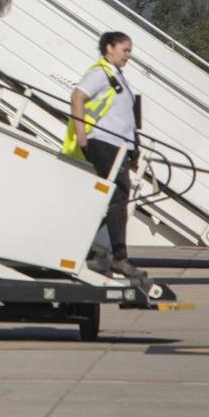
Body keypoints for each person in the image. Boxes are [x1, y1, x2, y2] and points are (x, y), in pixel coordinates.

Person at [68, 31, 141, 280]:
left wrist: (134, 150)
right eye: (125, 50)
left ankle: (88, 246)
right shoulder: (100, 73)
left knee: (113, 199)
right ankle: (119, 258)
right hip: (103, 143)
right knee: (117, 196)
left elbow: (126, 118)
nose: (129, 56)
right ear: (109, 48)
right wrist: (81, 135)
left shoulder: (117, 76)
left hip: (119, 146)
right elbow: (77, 96)